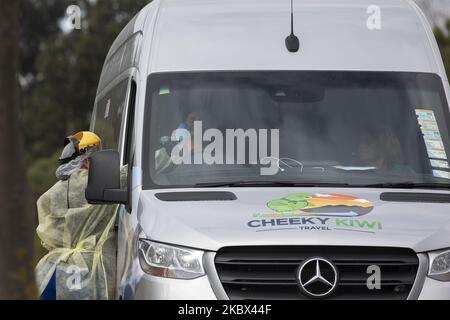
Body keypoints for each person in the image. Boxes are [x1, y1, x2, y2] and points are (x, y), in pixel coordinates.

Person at [36, 131, 118, 300]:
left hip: (51, 270)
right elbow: (136, 173)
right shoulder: (101, 182)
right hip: (91, 271)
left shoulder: (53, 192)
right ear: (87, 161)